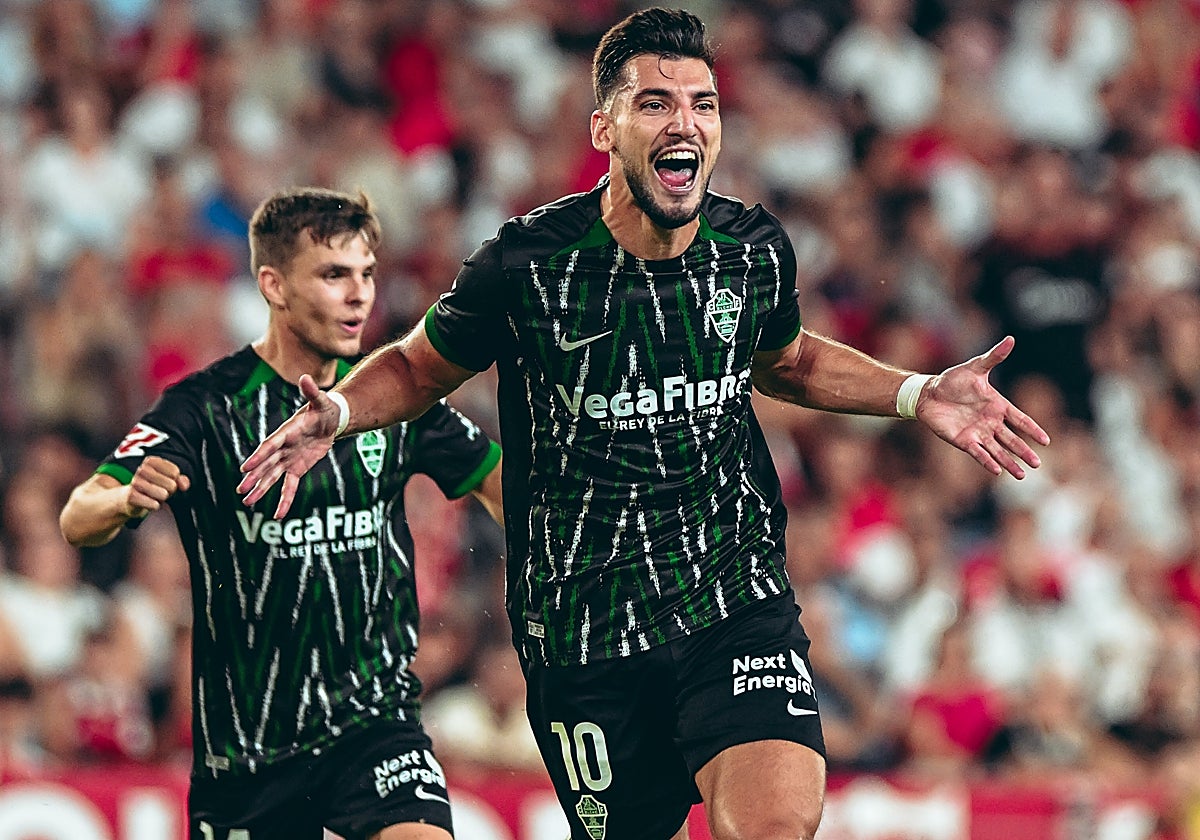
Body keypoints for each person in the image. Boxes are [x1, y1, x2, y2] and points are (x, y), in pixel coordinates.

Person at [237, 10, 1049, 840]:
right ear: (605, 128)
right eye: (656, 103)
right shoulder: (529, 265)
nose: (686, 122)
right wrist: (336, 413)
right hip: (585, 633)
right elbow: (417, 366)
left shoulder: (751, 249)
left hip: (733, 599)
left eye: (703, 103)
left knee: (774, 828)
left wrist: (916, 394)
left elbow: (788, 360)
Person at [60, 187, 503, 840]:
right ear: (272, 284)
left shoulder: (388, 397)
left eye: (366, 275)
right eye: (333, 275)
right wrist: (125, 498)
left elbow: (503, 485)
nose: (358, 295)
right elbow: (78, 514)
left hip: (373, 726)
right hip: (249, 750)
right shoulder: (205, 408)